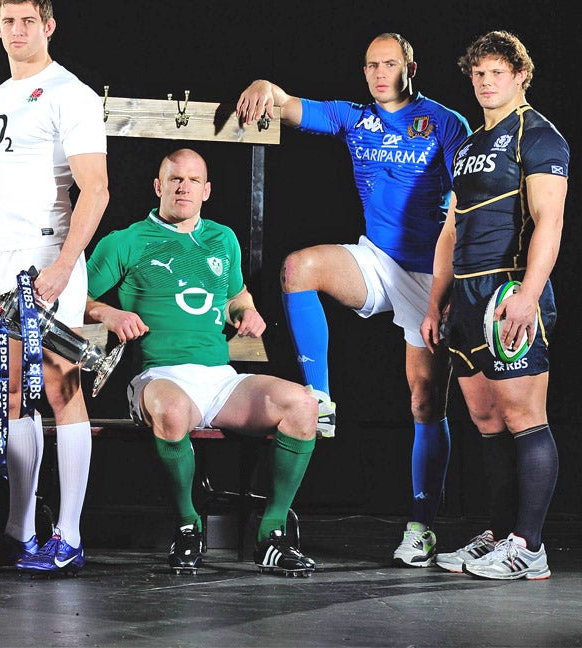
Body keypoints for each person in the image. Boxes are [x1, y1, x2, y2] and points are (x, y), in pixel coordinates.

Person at [235, 33, 471, 567]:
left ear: (411, 65)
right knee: (300, 268)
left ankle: (422, 527)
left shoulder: (445, 122)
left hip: (426, 271)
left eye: (389, 63)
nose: (379, 72)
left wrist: (448, 287)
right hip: (374, 259)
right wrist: (263, 86)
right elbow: (286, 105)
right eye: (370, 65)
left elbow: (466, 206)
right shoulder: (353, 116)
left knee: (425, 401)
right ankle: (319, 398)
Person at [0, 0, 108, 575]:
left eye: (29, 20)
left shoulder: (72, 94)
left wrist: (64, 267)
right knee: (8, 397)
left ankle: (69, 535)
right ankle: (19, 531)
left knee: (61, 388)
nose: (18, 30)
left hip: (47, 259)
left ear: (49, 27)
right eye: (8, 20)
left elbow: (97, 189)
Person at [86, 148, 318, 575]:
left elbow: (236, 295)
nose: (183, 187)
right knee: (172, 412)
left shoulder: (222, 238)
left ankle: (272, 534)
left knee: (303, 405)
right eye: (175, 179)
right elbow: (72, 298)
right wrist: (109, 313)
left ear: (206, 190)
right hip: (160, 376)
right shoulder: (127, 241)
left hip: (220, 379)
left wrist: (246, 311)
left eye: (193, 181)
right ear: (158, 186)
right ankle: (188, 526)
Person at [421, 31, 567, 581]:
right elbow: (450, 232)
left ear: (520, 76)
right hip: (464, 297)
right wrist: (437, 304)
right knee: (486, 420)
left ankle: (529, 546)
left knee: (524, 418)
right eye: (478, 74)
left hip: (509, 292)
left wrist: (528, 294)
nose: (485, 82)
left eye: (496, 73)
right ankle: (502, 533)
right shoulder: (466, 146)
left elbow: (549, 222)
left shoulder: (538, 136)